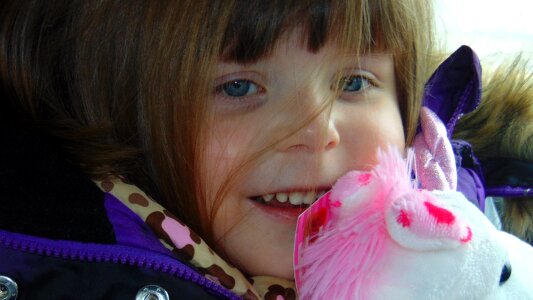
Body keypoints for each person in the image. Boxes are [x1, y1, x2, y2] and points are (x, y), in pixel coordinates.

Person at [0, 0, 521, 299]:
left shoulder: (486, 254)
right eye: (239, 88)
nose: (319, 133)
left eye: (355, 83)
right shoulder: (59, 277)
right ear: (122, 119)